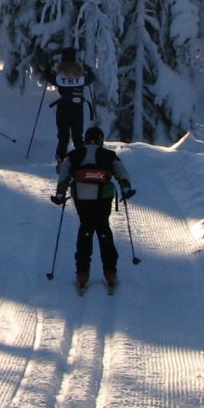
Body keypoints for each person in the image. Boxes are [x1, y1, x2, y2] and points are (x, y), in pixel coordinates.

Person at [52, 125, 133, 290]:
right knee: (103, 228)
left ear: (85, 139)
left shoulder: (74, 154)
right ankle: (110, 272)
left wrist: (60, 194)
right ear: (100, 140)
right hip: (103, 197)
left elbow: (64, 174)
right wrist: (125, 189)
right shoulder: (108, 155)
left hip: (81, 198)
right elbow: (121, 173)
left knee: (86, 228)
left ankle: (82, 273)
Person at [49, 47, 96, 157]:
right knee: (78, 138)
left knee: (63, 137)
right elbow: (91, 78)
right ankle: (80, 160)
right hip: (77, 108)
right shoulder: (80, 75)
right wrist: (87, 69)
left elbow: (49, 77)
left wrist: (49, 68)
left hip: (63, 108)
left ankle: (61, 160)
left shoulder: (59, 75)